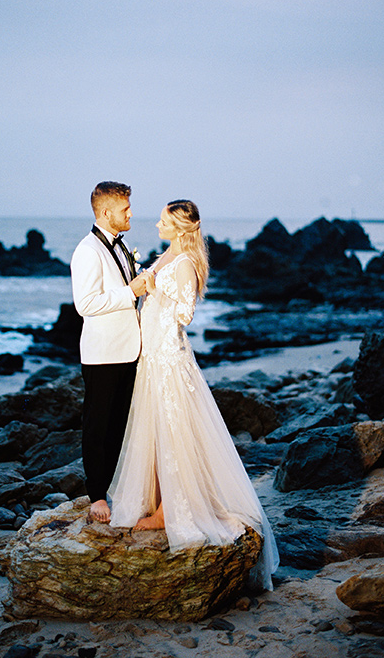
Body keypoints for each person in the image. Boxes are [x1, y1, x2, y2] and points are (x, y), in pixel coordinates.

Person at [109, 199, 279, 590]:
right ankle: (155, 501)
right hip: (151, 357)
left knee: (175, 432)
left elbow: (184, 314)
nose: (156, 224)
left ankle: (172, 510)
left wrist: (156, 290)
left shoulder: (185, 264)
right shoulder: (165, 256)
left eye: (163, 220)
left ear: (180, 227)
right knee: (151, 430)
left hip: (170, 359)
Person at [71, 182, 147, 523]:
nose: (130, 214)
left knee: (120, 424)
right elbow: (85, 304)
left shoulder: (123, 244)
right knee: (98, 426)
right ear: (106, 212)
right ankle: (97, 495)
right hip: (102, 354)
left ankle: (115, 485)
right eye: (125, 209)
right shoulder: (87, 251)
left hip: (129, 349)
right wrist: (130, 292)